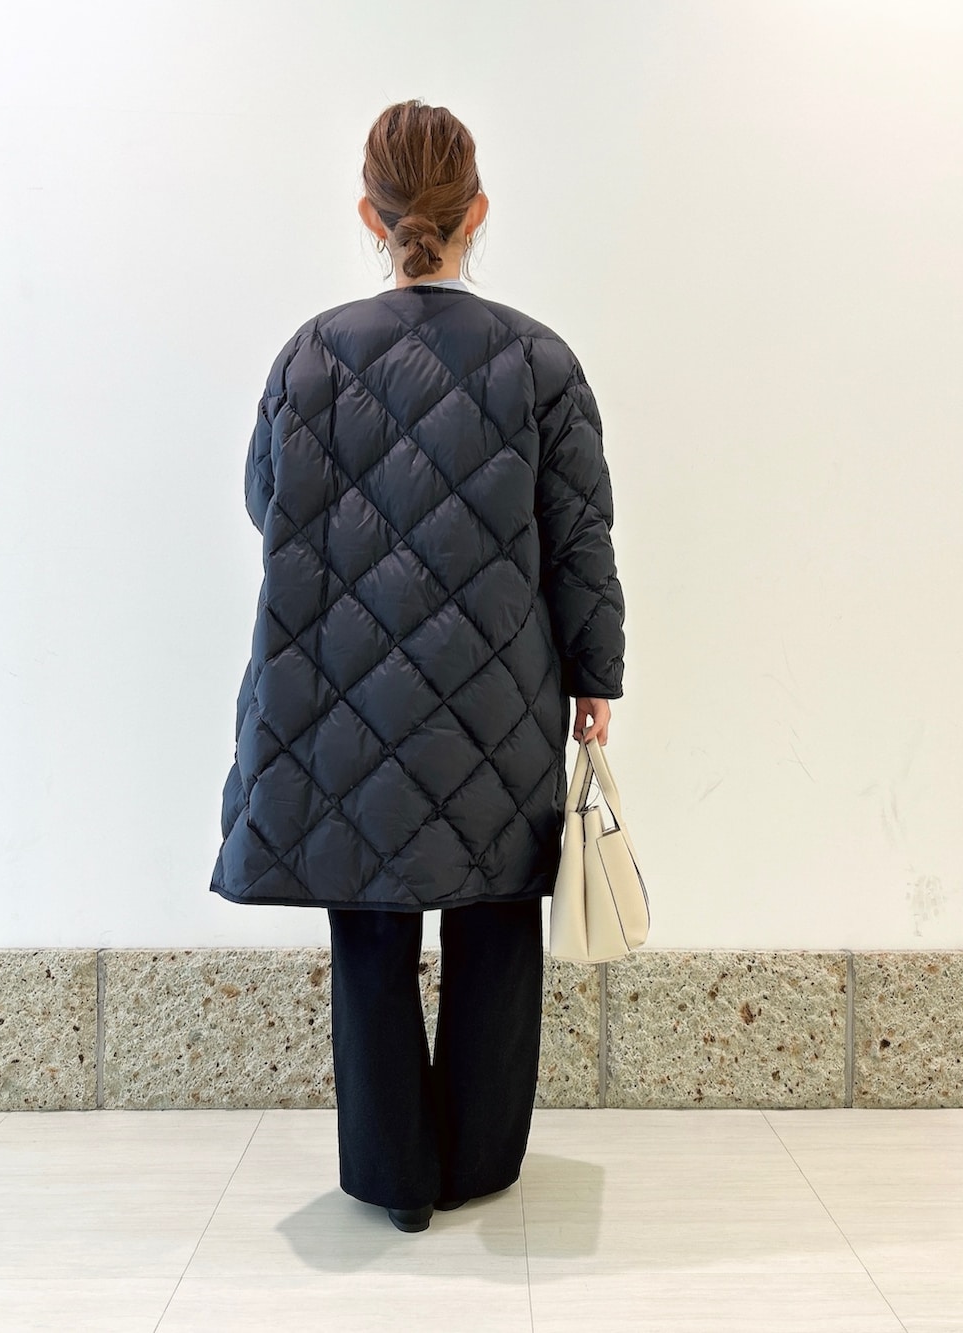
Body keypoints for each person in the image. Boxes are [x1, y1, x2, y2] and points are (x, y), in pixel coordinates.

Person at [210, 99, 625, 1233]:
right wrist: (595, 675)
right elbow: (579, 538)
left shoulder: (311, 354)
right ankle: (478, 1162)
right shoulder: (539, 359)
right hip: (501, 690)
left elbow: (265, 504)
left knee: (369, 921)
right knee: (496, 913)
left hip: (339, 688)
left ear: (370, 214)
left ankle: (394, 1178)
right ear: (477, 212)